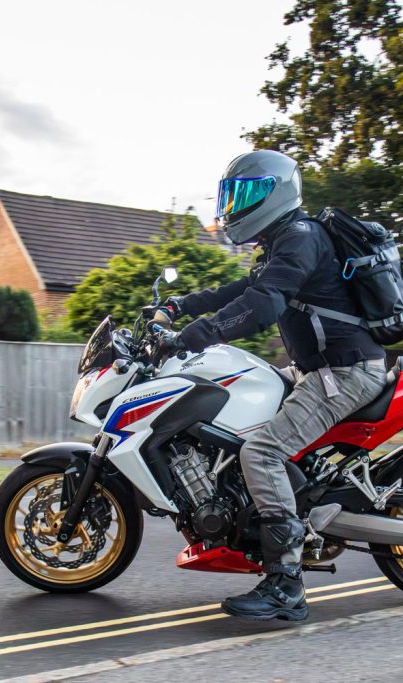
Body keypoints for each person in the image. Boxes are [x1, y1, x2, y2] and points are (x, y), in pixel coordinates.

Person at [155, 150, 387, 622]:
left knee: (260, 452)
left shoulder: (301, 238)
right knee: (234, 417)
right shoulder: (287, 240)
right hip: (319, 371)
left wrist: (191, 336)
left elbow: (262, 304)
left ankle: (286, 584)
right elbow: (240, 291)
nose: (234, 206)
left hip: (344, 373)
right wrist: (180, 305)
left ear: (276, 192)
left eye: (246, 194)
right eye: (232, 196)